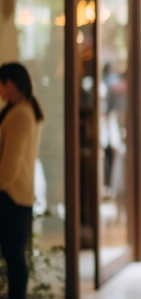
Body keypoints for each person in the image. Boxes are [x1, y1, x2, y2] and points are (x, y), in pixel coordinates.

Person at [0, 62, 45, 299]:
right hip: (19, 195)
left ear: (10, 84)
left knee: (14, 258)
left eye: (1, 84)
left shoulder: (20, 114)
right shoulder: (27, 108)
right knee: (15, 257)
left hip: (11, 196)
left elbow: (10, 166)